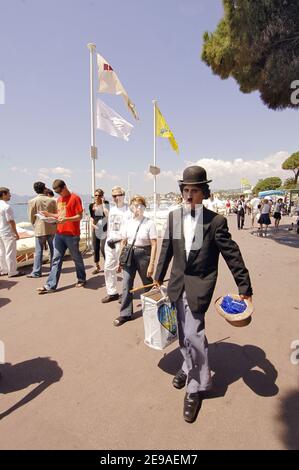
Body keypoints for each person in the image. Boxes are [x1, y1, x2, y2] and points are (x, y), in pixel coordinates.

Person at [154, 166, 253, 423]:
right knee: (184, 334)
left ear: (203, 193)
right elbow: (167, 248)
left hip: (200, 285)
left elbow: (232, 253)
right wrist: (156, 275)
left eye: (194, 190)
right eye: (185, 190)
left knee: (193, 334)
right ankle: (188, 366)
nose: (188, 195)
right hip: (177, 283)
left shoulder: (215, 221)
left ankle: (196, 387)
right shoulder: (175, 217)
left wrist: (245, 288)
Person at [113, 195, 157, 326]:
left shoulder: (149, 223)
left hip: (144, 253)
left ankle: (152, 310)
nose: (137, 208)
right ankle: (125, 314)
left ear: (144, 207)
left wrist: (151, 264)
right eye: (135, 206)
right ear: (131, 207)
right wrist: (119, 261)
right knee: (126, 284)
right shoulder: (128, 223)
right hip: (129, 254)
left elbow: (154, 244)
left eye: (140, 205)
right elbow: (123, 242)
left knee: (147, 283)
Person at [37, 179, 86, 294]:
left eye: (60, 192)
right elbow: (61, 215)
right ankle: (50, 285)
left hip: (72, 234)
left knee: (76, 258)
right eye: (57, 192)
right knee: (56, 259)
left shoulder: (75, 198)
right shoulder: (59, 199)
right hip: (59, 233)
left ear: (65, 187)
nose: (59, 194)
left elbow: (79, 216)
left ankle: (81, 278)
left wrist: (67, 219)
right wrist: (49, 215)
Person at [101, 186, 131, 303]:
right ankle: (112, 292)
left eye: (117, 195)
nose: (115, 198)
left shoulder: (129, 210)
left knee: (124, 270)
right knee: (108, 268)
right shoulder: (113, 209)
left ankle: (126, 293)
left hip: (122, 243)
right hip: (110, 243)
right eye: (113, 195)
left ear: (123, 195)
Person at [27, 181, 57, 278]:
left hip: (40, 228)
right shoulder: (52, 200)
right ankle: (54, 268)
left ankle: (36, 271)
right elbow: (56, 214)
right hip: (52, 227)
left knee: (39, 251)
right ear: (44, 188)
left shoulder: (32, 201)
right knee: (53, 250)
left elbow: (31, 217)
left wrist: (34, 225)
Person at [0, 187, 25, 277]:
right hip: (7, 232)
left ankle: (3, 270)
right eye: (8, 194)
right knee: (10, 252)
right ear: (3, 194)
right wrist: (16, 233)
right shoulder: (7, 207)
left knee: (2, 252)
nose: (10, 195)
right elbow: (11, 221)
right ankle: (12, 271)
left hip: (0, 231)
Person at [89, 188, 109, 274]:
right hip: (95, 229)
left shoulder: (106, 204)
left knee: (103, 248)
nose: (97, 197)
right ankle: (97, 267)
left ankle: (107, 266)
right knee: (95, 248)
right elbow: (91, 217)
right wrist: (92, 224)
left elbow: (108, 215)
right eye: (96, 195)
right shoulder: (91, 205)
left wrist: (104, 204)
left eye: (99, 195)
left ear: (102, 196)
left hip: (104, 229)